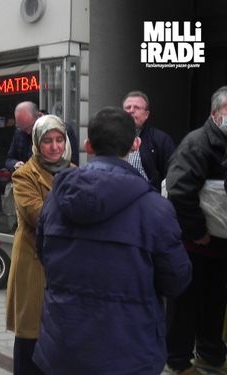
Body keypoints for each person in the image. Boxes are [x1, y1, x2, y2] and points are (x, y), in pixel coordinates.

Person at [32, 107, 192, 374]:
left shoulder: (56, 200)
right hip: (129, 352)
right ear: (135, 144)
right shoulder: (155, 209)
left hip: (63, 348)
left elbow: (44, 254)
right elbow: (177, 279)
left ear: (88, 145)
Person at [4, 115, 75, 374]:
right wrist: (74, 211)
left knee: (59, 338)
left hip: (66, 265)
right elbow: (38, 216)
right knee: (30, 337)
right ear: (36, 143)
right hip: (34, 264)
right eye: (47, 141)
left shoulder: (74, 171)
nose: (55, 146)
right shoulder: (24, 175)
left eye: (59, 140)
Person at [165, 86, 227, 375]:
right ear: (216, 114)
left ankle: (210, 355)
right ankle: (178, 361)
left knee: (215, 303)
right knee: (185, 303)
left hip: (220, 246)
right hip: (195, 244)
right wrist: (197, 230)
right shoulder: (197, 143)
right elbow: (179, 190)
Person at [122, 91, 176, 192]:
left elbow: (173, 175)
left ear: (146, 114)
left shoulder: (161, 140)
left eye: (136, 108)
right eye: (127, 107)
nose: (131, 111)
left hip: (147, 198)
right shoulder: (112, 137)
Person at [5, 101, 79, 171]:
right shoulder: (19, 132)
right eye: (22, 128)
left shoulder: (63, 129)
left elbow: (73, 163)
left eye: (30, 127)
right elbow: (9, 159)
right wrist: (16, 164)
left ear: (39, 116)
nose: (28, 132)